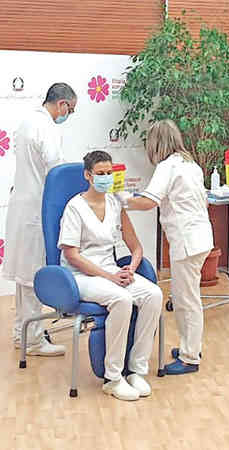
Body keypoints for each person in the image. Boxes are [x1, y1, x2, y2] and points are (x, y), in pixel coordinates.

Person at [59, 151, 162, 401]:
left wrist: (130, 269)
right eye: (100, 173)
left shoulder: (116, 204)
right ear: (88, 175)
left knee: (154, 294)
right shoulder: (75, 207)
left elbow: (136, 247)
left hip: (112, 272)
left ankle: (136, 370)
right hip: (80, 276)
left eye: (109, 173)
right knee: (121, 299)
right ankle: (113, 378)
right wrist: (109, 276)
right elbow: (72, 255)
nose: (106, 178)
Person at [116, 119, 213, 374]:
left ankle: (190, 358)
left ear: (157, 143)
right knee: (188, 297)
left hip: (187, 241)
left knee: (186, 300)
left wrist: (124, 200)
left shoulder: (167, 166)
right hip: (201, 237)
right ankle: (190, 347)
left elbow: (150, 201)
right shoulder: (190, 164)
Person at [3, 82, 77, 356]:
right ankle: (32, 340)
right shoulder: (46, 127)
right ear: (62, 105)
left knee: (24, 277)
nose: (68, 115)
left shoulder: (27, 122)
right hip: (36, 210)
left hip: (22, 207)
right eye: (71, 110)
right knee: (33, 275)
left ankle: (21, 332)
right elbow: (56, 172)